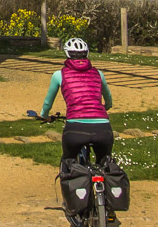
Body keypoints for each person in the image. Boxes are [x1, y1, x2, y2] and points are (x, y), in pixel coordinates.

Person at [41, 37, 114, 176]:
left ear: (67, 54)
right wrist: (106, 107)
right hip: (103, 127)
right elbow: (109, 99)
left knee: (68, 160)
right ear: (87, 53)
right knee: (105, 163)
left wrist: (44, 115)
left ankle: (70, 194)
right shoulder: (98, 74)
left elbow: (48, 102)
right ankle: (105, 194)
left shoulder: (59, 75)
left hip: (75, 127)